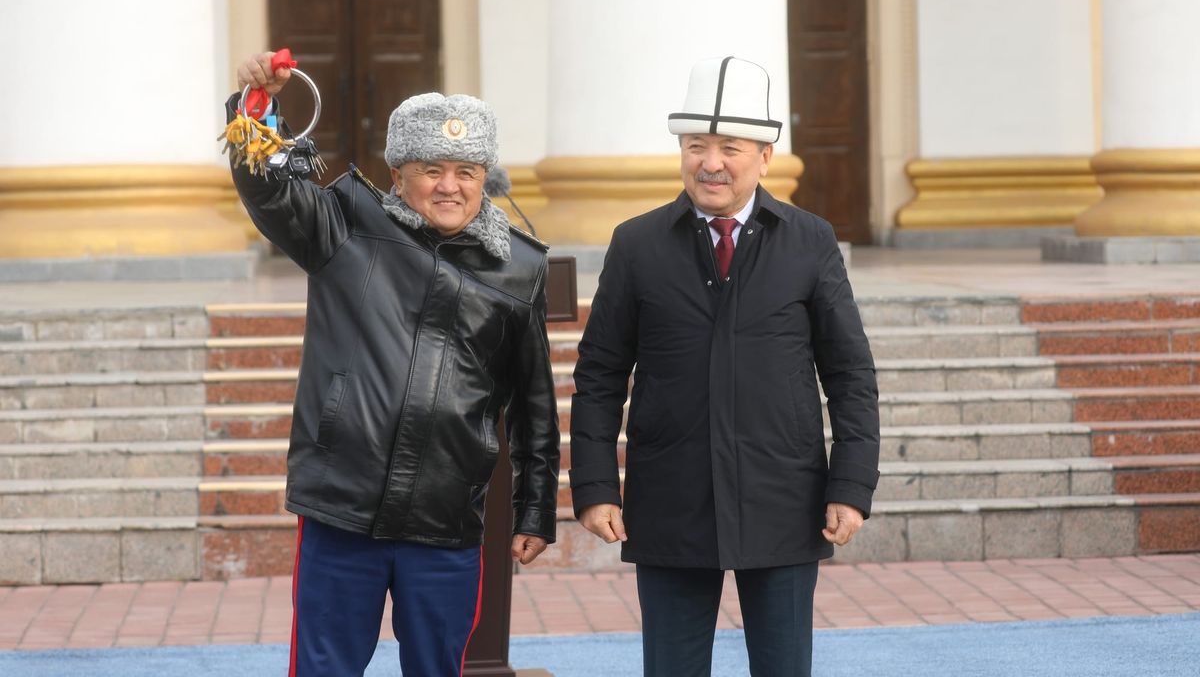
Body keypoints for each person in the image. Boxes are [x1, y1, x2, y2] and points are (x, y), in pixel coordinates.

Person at [229, 52, 559, 677]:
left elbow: (533, 402)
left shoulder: (520, 267)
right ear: (398, 174)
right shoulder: (343, 224)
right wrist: (257, 106)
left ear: (486, 177)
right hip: (342, 509)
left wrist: (535, 508)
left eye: (466, 171)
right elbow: (267, 188)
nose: (449, 186)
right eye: (430, 169)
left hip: (445, 520)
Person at [569, 56, 879, 677]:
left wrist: (851, 484)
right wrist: (596, 487)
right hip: (670, 492)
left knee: (783, 665)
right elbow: (600, 374)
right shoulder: (637, 243)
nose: (710, 163)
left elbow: (849, 373)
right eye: (695, 147)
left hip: (784, 492)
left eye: (729, 148)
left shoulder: (810, 240)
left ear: (764, 156)